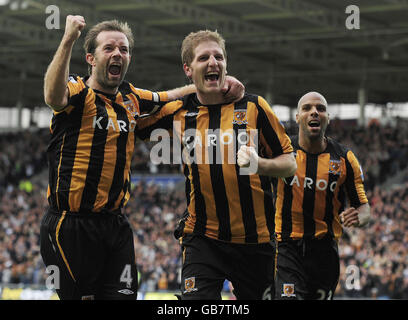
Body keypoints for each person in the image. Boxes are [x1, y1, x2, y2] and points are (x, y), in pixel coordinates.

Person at [40, 16, 244, 300]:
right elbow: (52, 95)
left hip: (115, 226)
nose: (118, 55)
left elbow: (170, 95)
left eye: (123, 50)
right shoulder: (77, 92)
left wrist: (217, 84)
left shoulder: (130, 97)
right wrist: (68, 39)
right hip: (70, 226)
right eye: (109, 48)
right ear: (90, 57)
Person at [137, 30, 297, 300]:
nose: (213, 62)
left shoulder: (255, 107)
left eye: (219, 57)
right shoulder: (177, 110)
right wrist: (194, 88)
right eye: (203, 58)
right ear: (188, 69)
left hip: (255, 241)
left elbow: (290, 163)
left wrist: (261, 165)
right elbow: (133, 117)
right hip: (203, 238)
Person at [270, 91, 371, 300]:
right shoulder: (280, 150)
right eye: (307, 108)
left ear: (327, 118)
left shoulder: (344, 158)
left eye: (320, 109)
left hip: (325, 252)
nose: (314, 112)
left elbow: (363, 206)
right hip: (287, 246)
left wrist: (361, 218)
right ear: (297, 117)